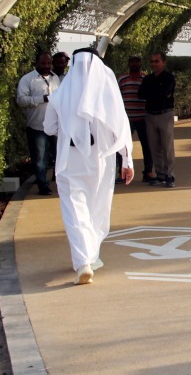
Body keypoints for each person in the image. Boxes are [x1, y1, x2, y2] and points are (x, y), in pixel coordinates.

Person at [43, 48, 134, 285]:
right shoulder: (108, 92)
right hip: (101, 162)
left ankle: (84, 261)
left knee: (75, 211)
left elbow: (49, 128)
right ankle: (90, 257)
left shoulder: (61, 94)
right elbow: (121, 128)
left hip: (69, 161)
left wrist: (70, 127)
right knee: (97, 209)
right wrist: (127, 161)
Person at [16, 52, 60, 196]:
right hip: (37, 126)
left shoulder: (55, 78)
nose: (46, 66)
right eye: (43, 63)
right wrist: (42, 99)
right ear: (37, 63)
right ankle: (43, 186)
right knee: (39, 159)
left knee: (59, 156)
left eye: (49, 63)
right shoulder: (28, 79)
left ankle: (61, 184)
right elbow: (21, 100)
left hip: (55, 127)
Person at [138, 52, 176, 188]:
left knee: (167, 147)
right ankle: (160, 174)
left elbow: (164, 91)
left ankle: (169, 175)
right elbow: (141, 94)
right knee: (154, 147)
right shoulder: (148, 79)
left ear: (163, 62)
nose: (154, 64)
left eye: (156, 61)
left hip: (165, 114)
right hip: (150, 115)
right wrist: (158, 93)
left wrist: (155, 93)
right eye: (152, 61)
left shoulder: (169, 78)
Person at [116, 55, 155, 184]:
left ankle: (148, 172)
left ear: (141, 64)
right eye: (132, 62)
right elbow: (116, 96)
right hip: (126, 119)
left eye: (137, 62)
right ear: (128, 64)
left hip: (143, 118)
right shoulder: (122, 79)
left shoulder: (146, 79)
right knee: (123, 146)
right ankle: (122, 173)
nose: (134, 64)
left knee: (147, 146)